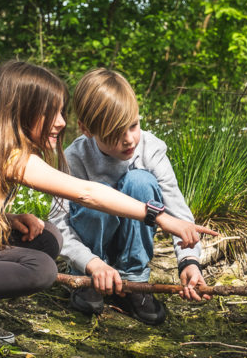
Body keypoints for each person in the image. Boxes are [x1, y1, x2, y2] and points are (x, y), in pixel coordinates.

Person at [0, 61, 216, 358]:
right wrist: (160, 217)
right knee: (40, 269)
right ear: (21, 113)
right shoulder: (9, 154)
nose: (61, 122)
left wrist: (7, 219)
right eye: (52, 113)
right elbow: (87, 193)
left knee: (46, 240)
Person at [49, 68, 209, 326]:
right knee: (94, 194)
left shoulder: (150, 150)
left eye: (134, 125)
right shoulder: (75, 158)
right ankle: (87, 285)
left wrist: (190, 263)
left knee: (141, 181)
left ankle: (133, 281)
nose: (129, 139)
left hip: (131, 250)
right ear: (87, 129)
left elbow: (177, 213)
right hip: (91, 260)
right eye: (115, 133)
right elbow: (58, 223)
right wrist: (90, 263)